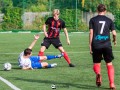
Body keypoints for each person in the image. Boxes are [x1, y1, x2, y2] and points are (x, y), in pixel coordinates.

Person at [89, 4, 117, 90]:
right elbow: (114, 33)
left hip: (96, 45)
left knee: (97, 63)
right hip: (106, 45)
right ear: (105, 11)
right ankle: (112, 84)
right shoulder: (109, 20)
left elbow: (91, 33)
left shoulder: (92, 20)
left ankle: (98, 73)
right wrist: (114, 40)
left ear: (97, 10)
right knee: (109, 64)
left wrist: (90, 45)